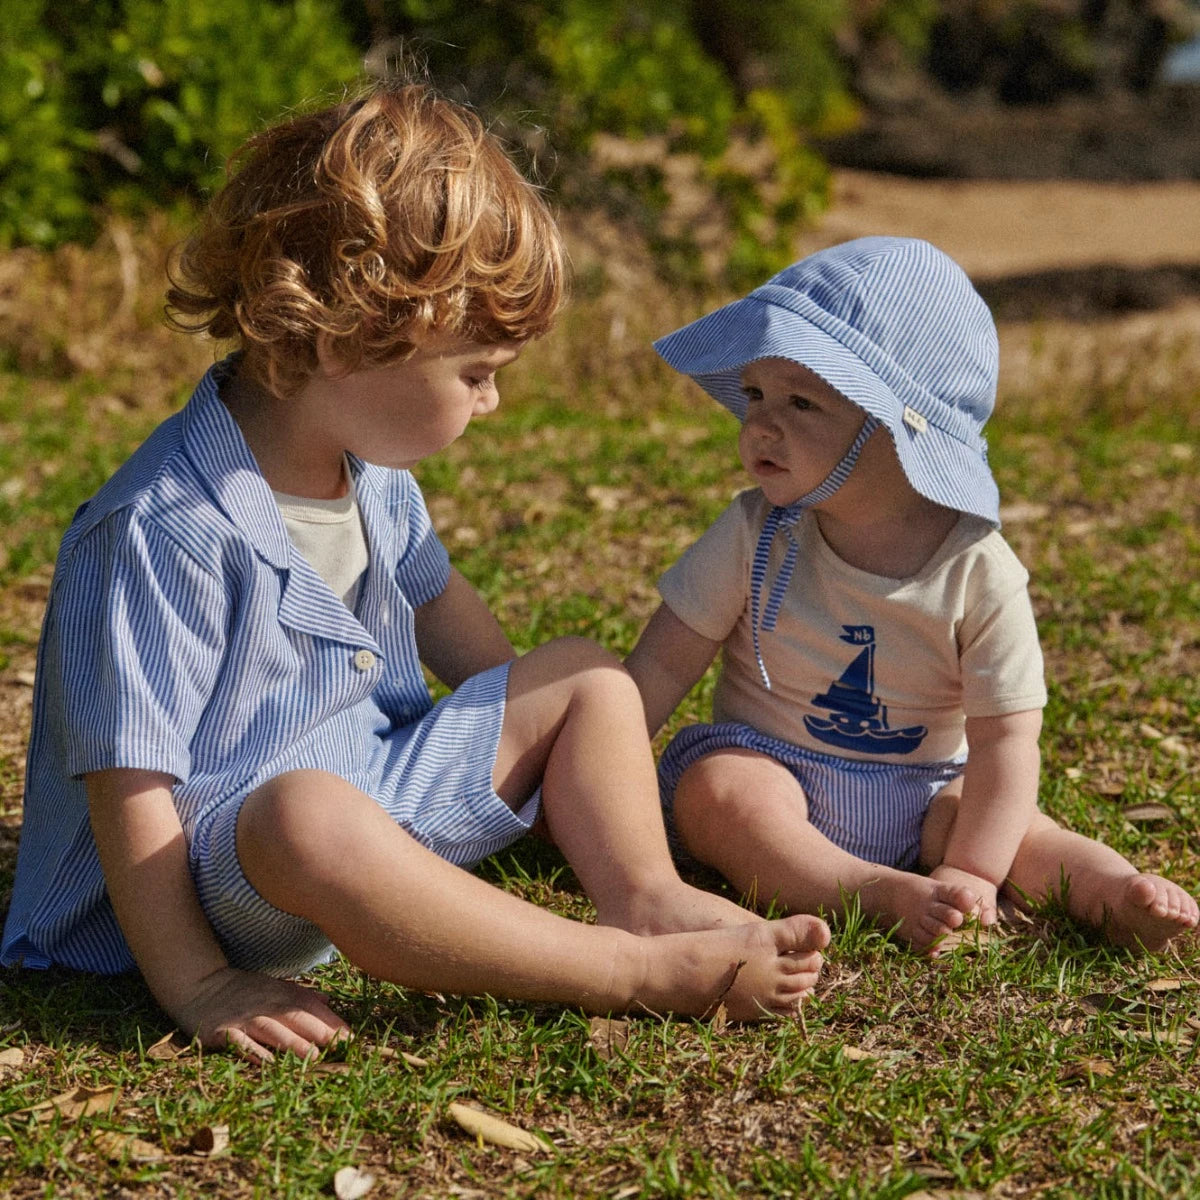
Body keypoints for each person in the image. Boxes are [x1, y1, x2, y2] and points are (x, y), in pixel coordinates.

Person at [0, 82, 830, 1060]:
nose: (492, 403)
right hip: (220, 870)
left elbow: (439, 605)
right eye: (476, 373)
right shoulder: (163, 527)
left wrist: (552, 756)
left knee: (586, 677)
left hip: (368, 791)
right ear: (346, 339)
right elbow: (130, 785)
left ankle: (646, 897)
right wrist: (200, 982)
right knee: (308, 814)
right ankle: (625, 972)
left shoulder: (373, 473)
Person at [626, 236, 1198, 954]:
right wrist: (593, 769)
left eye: (801, 401)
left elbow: (1005, 738)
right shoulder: (753, 532)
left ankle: (1113, 892)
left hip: (929, 788)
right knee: (719, 795)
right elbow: (662, 664)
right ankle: (865, 890)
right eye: (755, 394)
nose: (760, 425)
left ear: (895, 431)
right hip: (774, 766)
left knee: (1018, 830)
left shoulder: (978, 569)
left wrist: (973, 869)